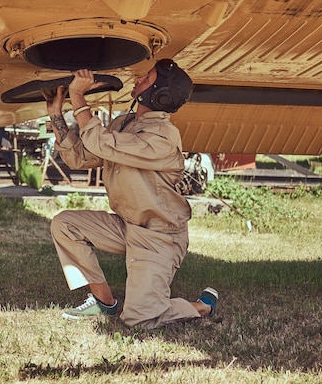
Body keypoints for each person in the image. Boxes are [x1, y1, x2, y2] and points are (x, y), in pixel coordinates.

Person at [42, 59, 218, 329]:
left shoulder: (163, 137)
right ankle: (104, 302)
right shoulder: (124, 123)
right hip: (127, 227)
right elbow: (80, 157)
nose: (138, 80)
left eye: (146, 78)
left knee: (140, 319)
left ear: (159, 93)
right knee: (64, 225)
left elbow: (100, 141)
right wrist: (56, 115)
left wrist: (78, 97)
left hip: (159, 237)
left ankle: (200, 307)